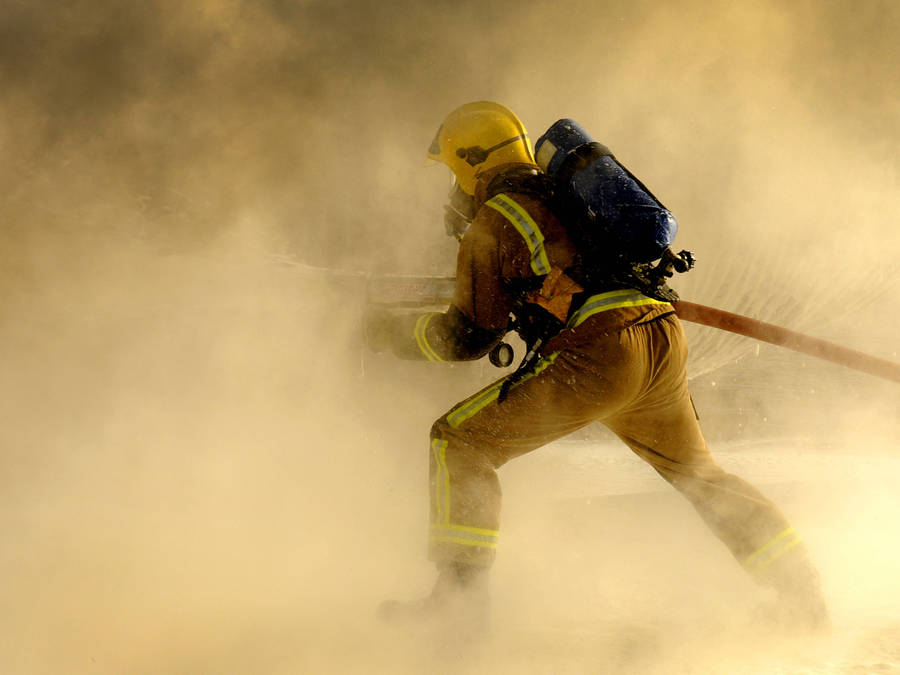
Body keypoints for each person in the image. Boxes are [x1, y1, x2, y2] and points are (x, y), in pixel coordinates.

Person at [367, 101, 828, 633]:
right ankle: (802, 594)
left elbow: (467, 337)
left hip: (600, 354)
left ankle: (457, 610)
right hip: (660, 339)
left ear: (471, 162)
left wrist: (387, 334)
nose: (454, 190)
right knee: (701, 475)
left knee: (458, 443)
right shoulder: (570, 198)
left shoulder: (494, 221)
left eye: (454, 173)